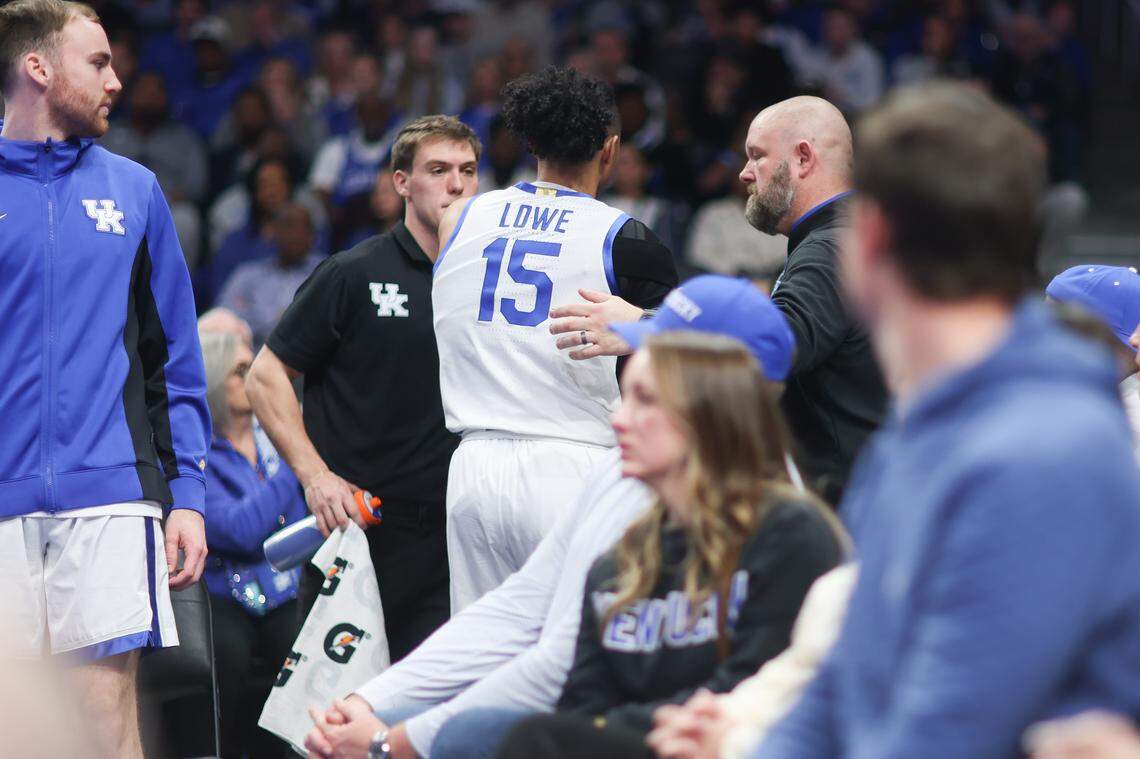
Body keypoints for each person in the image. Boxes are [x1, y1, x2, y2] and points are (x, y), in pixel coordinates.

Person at [754, 83, 1140, 758]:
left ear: (870, 239)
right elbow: (844, 683)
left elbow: (942, 733)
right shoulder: (919, 432)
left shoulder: (1044, 446)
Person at [299, 275, 797, 759]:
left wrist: (392, 744)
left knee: (469, 734)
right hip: (594, 725)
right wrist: (370, 701)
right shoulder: (621, 474)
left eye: (652, 392)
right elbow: (524, 607)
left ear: (718, 396)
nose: (622, 416)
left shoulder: (784, 528)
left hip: (662, 738)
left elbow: (559, 673)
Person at [0, 2, 209, 757]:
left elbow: (173, 356)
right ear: (37, 68)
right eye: (97, 63)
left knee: (102, 719)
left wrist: (189, 496)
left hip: (112, 493)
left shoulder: (136, 190)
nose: (116, 81)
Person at [491, 331, 844, 759]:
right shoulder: (617, 563)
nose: (619, 419)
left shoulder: (790, 533)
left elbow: (761, 687)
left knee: (521, 738)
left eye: (645, 400)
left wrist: (616, 729)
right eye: (625, 398)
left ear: (707, 414)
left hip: (732, 743)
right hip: (641, 744)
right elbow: (581, 707)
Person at [549, 96, 886, 505]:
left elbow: (775, 344)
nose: (744, 173)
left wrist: (645, 325)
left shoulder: (830, 248)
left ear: (802, 158)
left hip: (849, 500)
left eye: (757, 156)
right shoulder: (848, 237)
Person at [432, 65, 678, 612]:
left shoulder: (459, 217)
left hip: (472, 468)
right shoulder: (627, 238)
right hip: (573, 465)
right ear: (610, 150)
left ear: (531, 143)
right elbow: (687, 355)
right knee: (577, 647)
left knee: (484, 648)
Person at [245, 115, 480, 663]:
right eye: (438, 170)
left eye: (468, 171)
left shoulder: (485, 281)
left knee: (428, 707)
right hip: (357, 532)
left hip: (451, 537)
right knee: (328, 705)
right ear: (402, 183)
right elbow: (265, 376)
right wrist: (315, 477)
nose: (456, 185)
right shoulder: (353, 273)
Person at [198, 329, 308, 758]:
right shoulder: (198, 454)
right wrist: (298, 459)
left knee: (301, 645)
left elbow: (297, 524)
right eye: (240, 370)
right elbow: (238, 530)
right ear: (212, 379)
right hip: (223, 594)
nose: (254, 377)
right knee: (230, 652)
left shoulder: (272, 438)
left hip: (284, 586)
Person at [218, 203, 325, 347]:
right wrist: (274, 324)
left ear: (313, 235)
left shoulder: (325, 273)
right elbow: (223, 316)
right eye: (288, 226)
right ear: (273, 232)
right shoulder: (248, 274)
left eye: (303, 228)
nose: (295, 234)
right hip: (252, 355)